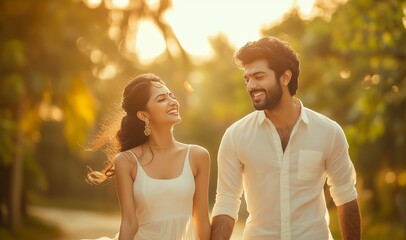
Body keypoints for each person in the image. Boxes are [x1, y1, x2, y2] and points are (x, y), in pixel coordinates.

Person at [210, 36, 361, 240]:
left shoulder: (328, 132)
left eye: (259, 76)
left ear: (285, 77)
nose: (251, 86)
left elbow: (346, 196)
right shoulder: (236, 136)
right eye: (247, 78)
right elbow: (227, 201)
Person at [86, 73, 211, 240]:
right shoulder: (127, 161)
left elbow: (201, 221)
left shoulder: (198, 156)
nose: (173, 102)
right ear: (143, 115)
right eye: (161, 99)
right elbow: (129, 223)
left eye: (171, 96)